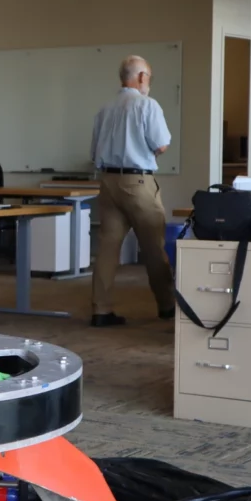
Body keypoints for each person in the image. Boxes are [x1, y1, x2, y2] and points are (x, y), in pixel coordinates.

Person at [89, 55, 176, 327]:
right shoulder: (147, 105)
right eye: (149, 76)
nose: (149, 81)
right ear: (141, 77)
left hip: (108, 182)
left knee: (107, 248)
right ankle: (167, 307)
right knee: (153, 247)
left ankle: (101, 310)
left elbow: (94, 153)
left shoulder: (105, 109)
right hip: (138, 184)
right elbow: (161, 145)